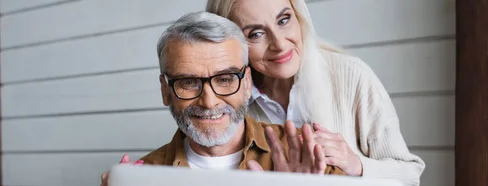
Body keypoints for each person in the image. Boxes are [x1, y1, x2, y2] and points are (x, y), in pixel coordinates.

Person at [100, 11, 346, 186]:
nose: (209, 102)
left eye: (225, 79)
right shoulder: (142, 178)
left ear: (247, 83)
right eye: (188, 82)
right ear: (165, 91)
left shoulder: (307, 157)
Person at [205, 0, 425, 185]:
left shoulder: (352, 76)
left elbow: (410, 176)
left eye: (284, 20)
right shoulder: (224, 102)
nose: (280, 44)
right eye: (256, 33)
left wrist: (355, 165)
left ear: (299, 16)